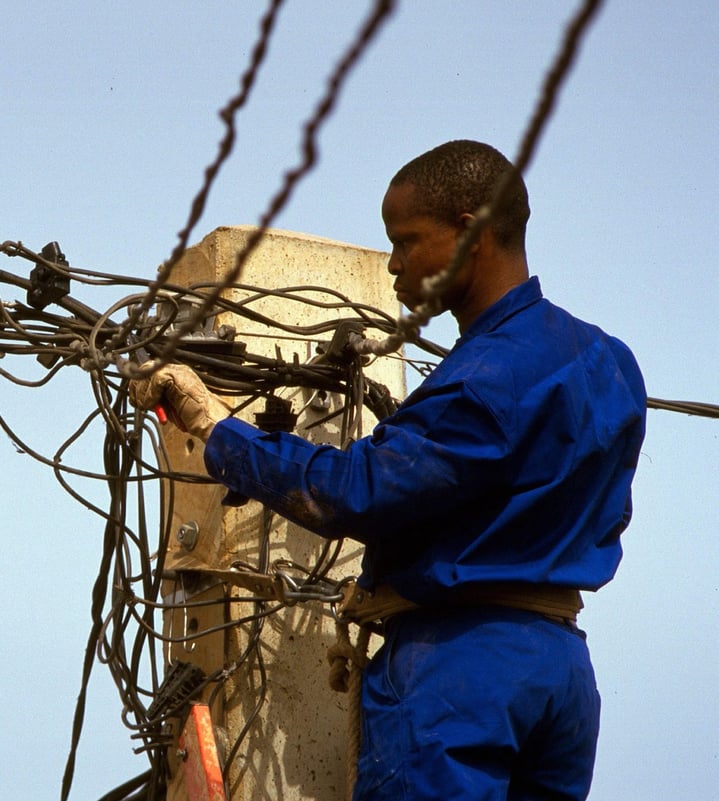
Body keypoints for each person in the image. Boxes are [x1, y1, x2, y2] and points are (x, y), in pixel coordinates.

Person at [130, 140, 647, 801]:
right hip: (561, 672)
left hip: (459, 667)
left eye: (406, 241)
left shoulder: (483, 379)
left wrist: (215, 425)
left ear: (467, 234)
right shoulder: (610, 362)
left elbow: (358, 490)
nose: (394, 265)